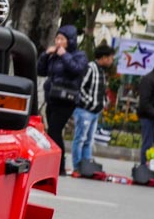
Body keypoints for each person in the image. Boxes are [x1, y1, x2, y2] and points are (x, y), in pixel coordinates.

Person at [37, 25, 88, 174]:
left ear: (70, 41)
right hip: (52, 97)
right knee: (53, 132)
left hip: (66, 100)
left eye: (62, 39)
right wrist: (46, 55)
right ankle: (56, 165)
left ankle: (58, 165)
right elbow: (41, 70)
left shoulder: (79, 55)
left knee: (54, 130)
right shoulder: (54, 55)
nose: (58, 41)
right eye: (57, 38)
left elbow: (77, 70)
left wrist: (64, 54)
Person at [72, 44, 115, 172]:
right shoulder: (90, 68)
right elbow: (80, 87)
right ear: (104, 57)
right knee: (80, 139)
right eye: (111, 58)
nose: (112, 61)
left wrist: (103, 103)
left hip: (95, 112)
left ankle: (86, 167)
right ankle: (77, 166)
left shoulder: (101, 71)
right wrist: (90, 103)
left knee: (89, 141)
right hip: (85, 111)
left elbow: (100, 90)